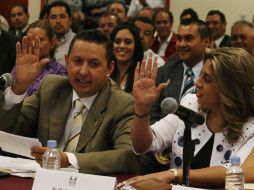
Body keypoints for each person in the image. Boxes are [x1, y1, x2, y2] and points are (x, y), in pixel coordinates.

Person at [0, 29, 138, 174]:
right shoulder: (51, 87)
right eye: (77, 61)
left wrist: (70, 160)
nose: (83, 71)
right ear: (67, 61)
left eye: (94, 64)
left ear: (109, 68)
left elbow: (127, 156)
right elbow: (8, 130)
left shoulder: (122, 103)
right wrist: (19, 87)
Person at [125, 47, 254, 188]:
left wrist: (173, 174)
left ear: (229, 88)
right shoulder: (191, 104)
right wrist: (141, 110)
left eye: (206, 79)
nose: (196, 83)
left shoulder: (251, 127)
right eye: (200, 75)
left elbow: (239, 172)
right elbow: (144, 145)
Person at [141, 19, 211, 175]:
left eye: (188, 38)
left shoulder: (214, 73)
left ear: (206, 42)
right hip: (160, 149)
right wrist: (161, 147)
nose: (181, 44)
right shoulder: (164, 72)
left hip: (203, 147)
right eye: (179, 38)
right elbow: (153, 113)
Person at [11, 20, 67, 96]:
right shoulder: (19, 68)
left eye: (39, 40)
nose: (33, 44)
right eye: (30, 40)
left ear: (52, 43)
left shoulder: (61, 72)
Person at [110, 22, 144, 93]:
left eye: (128, 42)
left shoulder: (143, 75)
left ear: (136, 46)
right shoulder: (105, 71)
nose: (122, 46)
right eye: (117, 41)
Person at [47, 1, 76, 65]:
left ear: (70, 20)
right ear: (47, 21)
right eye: (53, 17)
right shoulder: (43, 42)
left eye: (62, 17)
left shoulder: (78, 42)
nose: (58, 21)